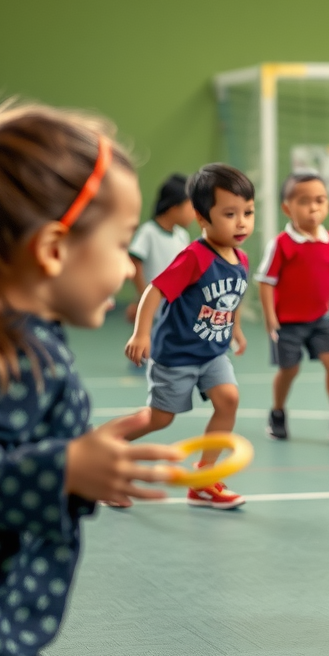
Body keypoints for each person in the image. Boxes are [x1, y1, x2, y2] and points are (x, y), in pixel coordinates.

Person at [0, 103, 183, 656]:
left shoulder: (25, 344)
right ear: (52, 249)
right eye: (121, 242)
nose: (132, 267)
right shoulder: (8, 355)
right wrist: (64, 468)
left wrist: (83, 459)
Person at [124, 163, 254, 509]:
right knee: (159, 419)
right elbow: (154, 291)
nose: (241, 222)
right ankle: (102, 447)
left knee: (228, 399)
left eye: (248, 212)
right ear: (202, 218)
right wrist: (141, 333)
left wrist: (236, 329)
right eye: (230, 214)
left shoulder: (240, 258)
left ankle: (204, 478)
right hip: (177, 354)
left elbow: (233, 298)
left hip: (212, 352)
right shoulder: (194, 256)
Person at [256, 171, 329, 441]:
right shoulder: (281, 244)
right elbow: (266, 281)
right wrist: (269, 316)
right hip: (288, 322)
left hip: (319, 319)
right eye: (304, 201)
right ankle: (277, 412)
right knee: (289, 369)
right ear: (286, 208)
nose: (313, 207)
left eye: (320, 200)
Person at [124, 173, 195, 324]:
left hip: (175, 308)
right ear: (174, 207)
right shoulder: (149, 232)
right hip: (153, 313)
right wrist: (143, 298)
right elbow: (134, 261)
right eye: (191, 208)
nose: (194, 215)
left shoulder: (182, 236)